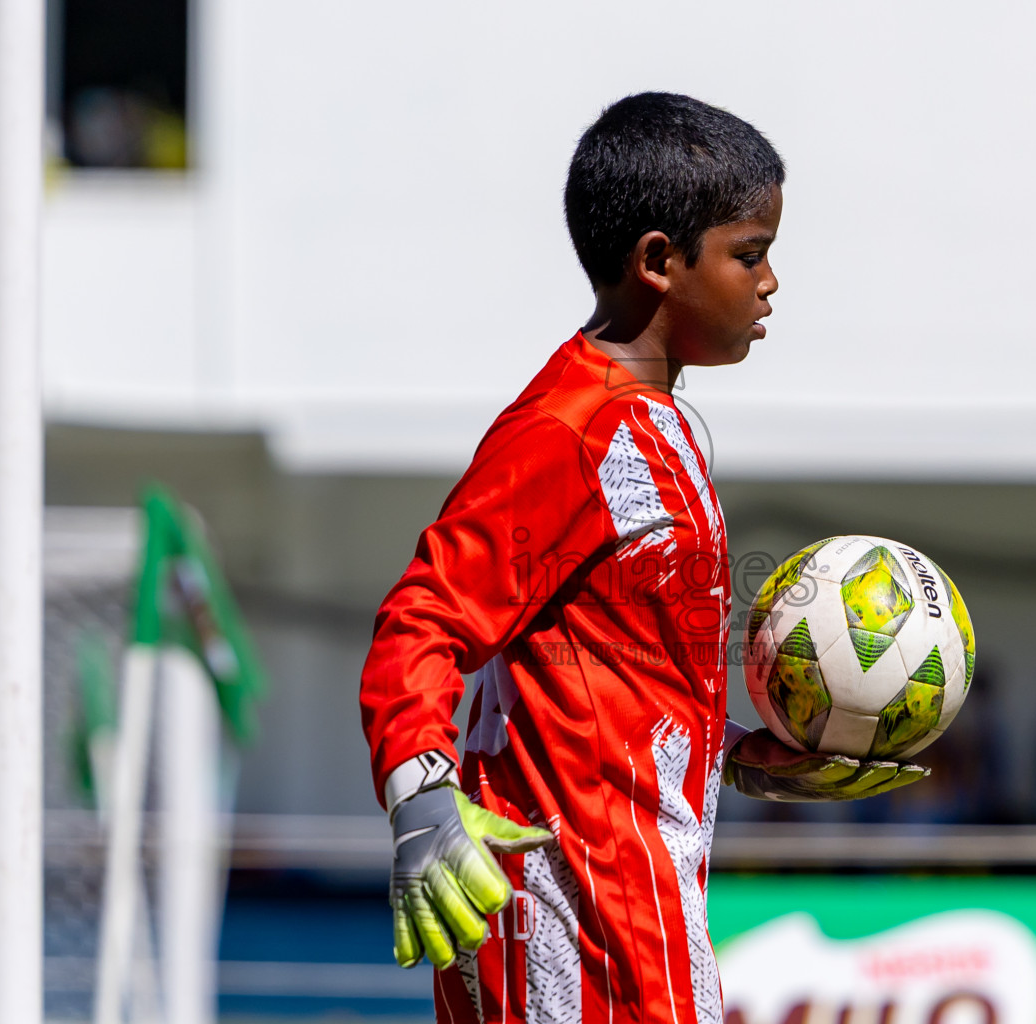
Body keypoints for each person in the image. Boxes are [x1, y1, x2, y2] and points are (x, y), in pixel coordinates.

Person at [359, 93, 924, 1024]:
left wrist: (731, 755)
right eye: (750, 253)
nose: (771, 280)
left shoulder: (657, 423)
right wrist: (421, 796)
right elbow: (423, 616)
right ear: (659, 262)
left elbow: (610, 663)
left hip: (640, 897)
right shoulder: (567, 432)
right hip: (570, 910)